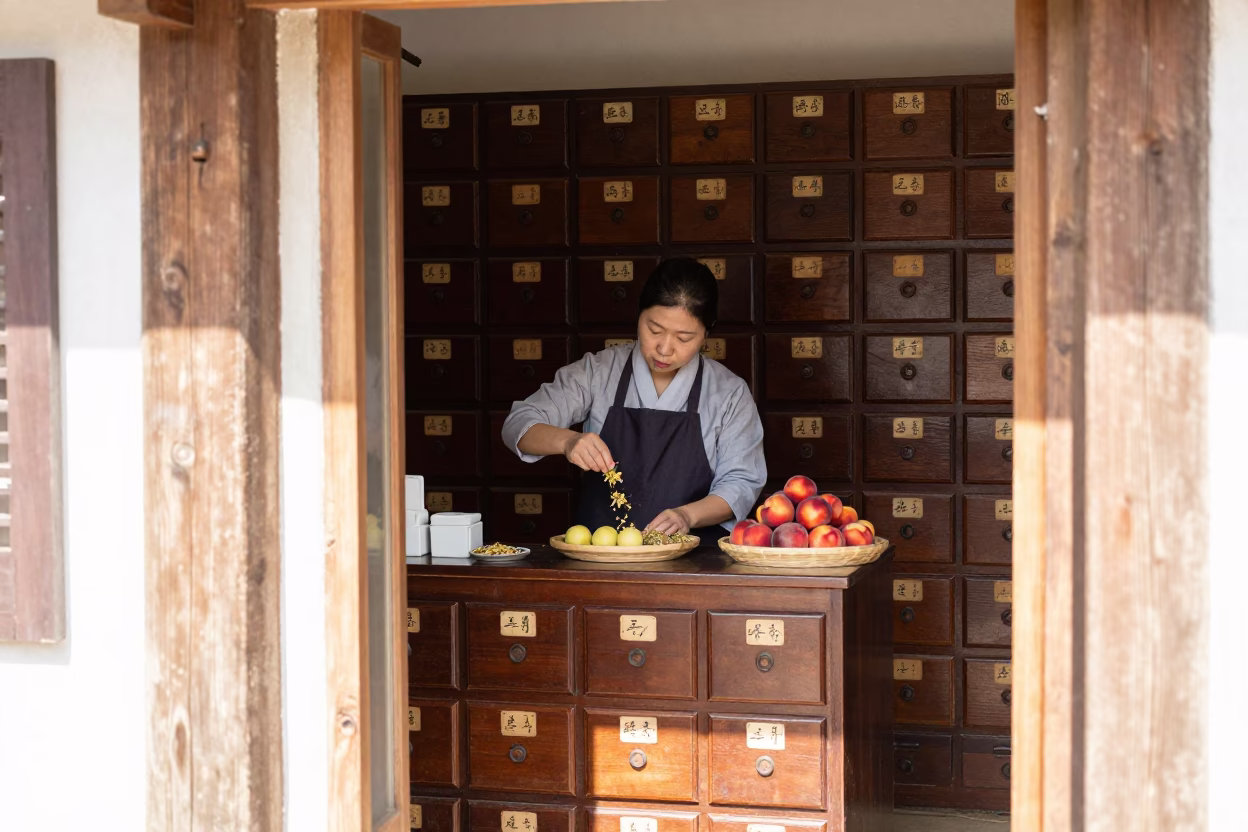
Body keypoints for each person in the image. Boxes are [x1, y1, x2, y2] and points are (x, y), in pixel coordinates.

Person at [502, 258, 766, 538]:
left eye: (684, 338)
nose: (664, 349)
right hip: (602, 561)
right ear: (638, 315)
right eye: (654, 330)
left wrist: (687, 515)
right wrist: (568, 441)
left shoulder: (728, 392)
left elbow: (741, 483)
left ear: (706, 334)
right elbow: (518, 424)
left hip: (695, 565)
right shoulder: (598, 371)